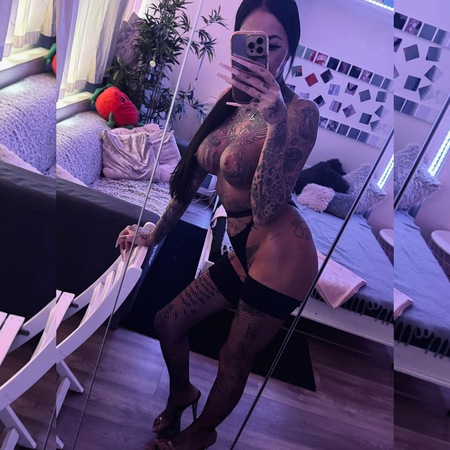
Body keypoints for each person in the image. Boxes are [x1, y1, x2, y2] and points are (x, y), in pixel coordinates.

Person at [117, 0, 319, 448]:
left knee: (234, 354)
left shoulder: (300, 113)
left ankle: (202, 432)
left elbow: (266, 208)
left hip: (282, 254)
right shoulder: (231, 104)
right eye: (250, 41)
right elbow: (189, 182)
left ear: (290, 49)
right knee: (168, 322)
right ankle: (182, 392)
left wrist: (275, 123)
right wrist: (152, 235)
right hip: (243, 247)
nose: (260, 56)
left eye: (273, 45)